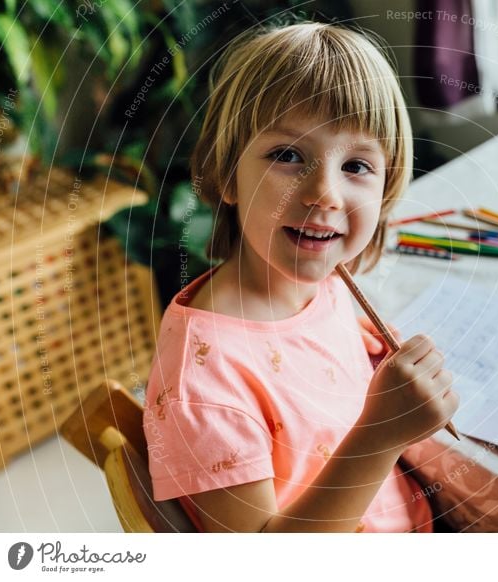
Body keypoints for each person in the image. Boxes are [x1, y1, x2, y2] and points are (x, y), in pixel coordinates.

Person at [143, 21, 459, 533]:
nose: (325, 194)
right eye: (287, 156)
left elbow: (299, 365)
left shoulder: (321, 281)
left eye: (356, 165)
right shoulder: (203, 383)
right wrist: (380, 433)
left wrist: (361, 357)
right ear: (227, 175)